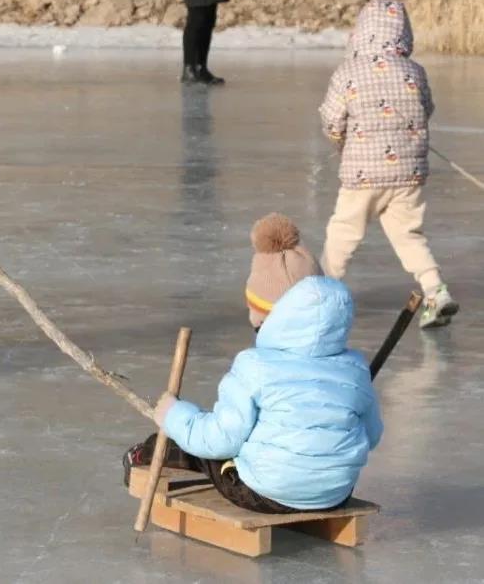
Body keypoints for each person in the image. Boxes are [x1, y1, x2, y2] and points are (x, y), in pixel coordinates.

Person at [144, 214, 382, 512]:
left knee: (201, 449)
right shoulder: (355, 368)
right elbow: (371, 436)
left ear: (267, 316)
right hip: (336, 493)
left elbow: (221, 439)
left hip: (266, 493)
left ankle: (143, 454)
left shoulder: (254, 366)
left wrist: (173, 414)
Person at [319, 0, 457, 329]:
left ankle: (322, 295)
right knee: (408, 234)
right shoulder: (415, 71)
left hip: (362, 174)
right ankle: (435, 290)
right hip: (408, 174)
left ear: (360, 33)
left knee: (343, 233)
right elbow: (426, 109)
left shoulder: (348, 72)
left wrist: (340, 142)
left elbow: (332, 120)